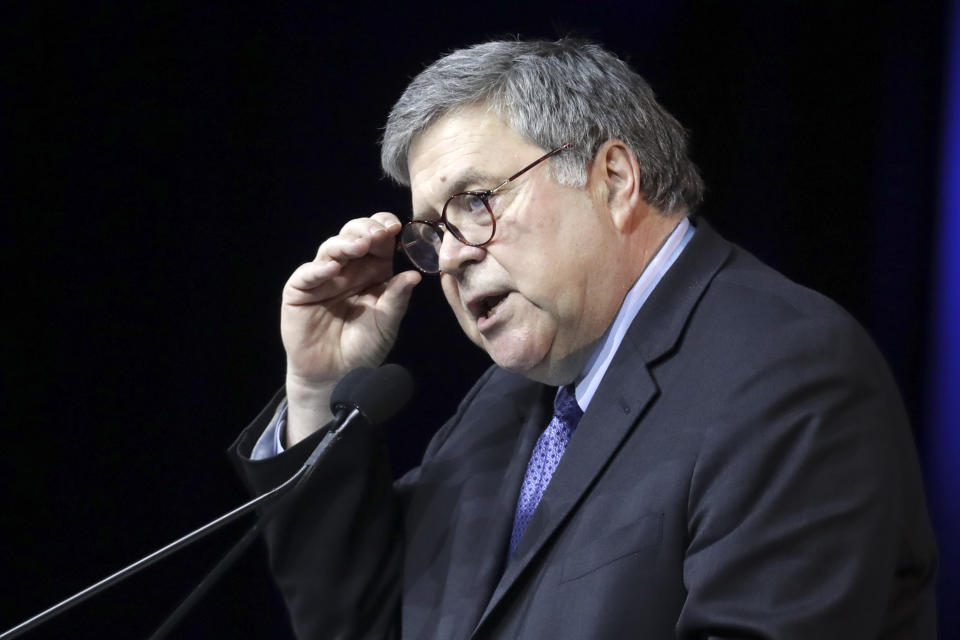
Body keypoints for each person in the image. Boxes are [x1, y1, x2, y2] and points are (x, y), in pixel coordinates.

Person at [231, 39, 937, 639]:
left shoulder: (789, 374)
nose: (449, 257)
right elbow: (365, 625)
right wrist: (318, 388)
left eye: (475, 203)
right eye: (434, 231)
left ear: (615, 178)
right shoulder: (502, 407)